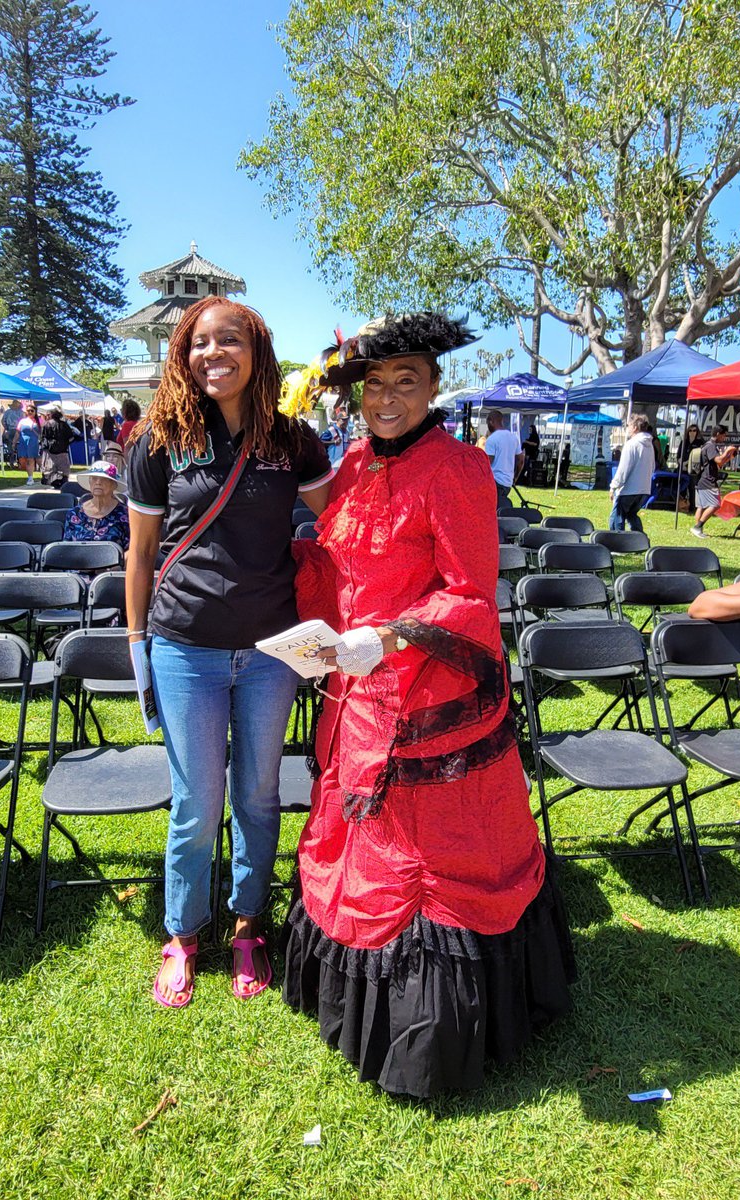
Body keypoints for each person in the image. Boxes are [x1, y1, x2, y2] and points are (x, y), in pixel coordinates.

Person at [279, 313, 575, 1098]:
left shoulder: (459, 468)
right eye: (375, 384)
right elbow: (339, 557)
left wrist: (396, 635)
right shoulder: (349, 462)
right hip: (355, 688)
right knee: (354, 846)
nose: (386, 398)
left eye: (405, 382)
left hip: (424, 689)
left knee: (426, 857)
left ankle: (430, 1030)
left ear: (435, 387)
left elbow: (472, 593)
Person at [125, 296, 334, 1009]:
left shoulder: (293, 441)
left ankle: (249, 923)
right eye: (199, 343)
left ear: (258, 350)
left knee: (258, 793)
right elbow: (143, 552)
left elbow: (344, 515)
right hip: (185, 648)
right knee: (196, 802)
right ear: (182, 355)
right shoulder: (161, 441)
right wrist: (136, 644)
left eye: (230, 340)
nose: (214, 354)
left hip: (274, 650)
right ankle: (183, 933)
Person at [62, 460, 130, 549]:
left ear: (113, 485)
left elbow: (131, 550)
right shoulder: (74, 514)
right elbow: (66, 548)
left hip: (114, 562)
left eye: (104, 479)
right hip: (78, 562)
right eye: (94, 478)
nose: (98, 482)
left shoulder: (125, 514)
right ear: (90, 483)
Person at [608, 413, 655, 531]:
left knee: (616, 517)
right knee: (631, 515)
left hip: (629, 489)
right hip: (644, 489)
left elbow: (623, 469)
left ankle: (616, 543)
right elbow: (653, 467)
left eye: (628, 425)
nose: (627, 428)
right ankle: (640, 540)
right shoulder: (650, 445)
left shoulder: (631, 444)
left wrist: (613, 486)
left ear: (635, 427)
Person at [692, 426, 738, 538]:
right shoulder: (710, 446)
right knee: (715, 504)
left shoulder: (708, 445)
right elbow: (719, 460)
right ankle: (697, 527)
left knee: (701, 506)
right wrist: (727, 450)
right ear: (718, 434)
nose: (724, 437)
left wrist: (729, 456)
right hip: (708, 481)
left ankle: (697, 529)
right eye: (724, 435)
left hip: (701, 480)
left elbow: (719, 464)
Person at [484, 408, 524, 509]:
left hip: (495, 482)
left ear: (491, 422)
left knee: (491, 511)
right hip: (507, 483)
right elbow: (521, 460)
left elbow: (487, 463)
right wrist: (515, 477)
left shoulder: (491, 440)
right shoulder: (513, 438)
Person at [41, 405, 75, 487]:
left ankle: (52, 480)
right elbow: (71, 437)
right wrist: (66, 443)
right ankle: (63, 480)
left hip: (50, 450)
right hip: (62, 449)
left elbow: (43, 437)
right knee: (63, 467)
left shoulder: (46, 424)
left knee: (50, 466)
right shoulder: (64, 425)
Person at [13, 403, 41, 486]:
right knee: (27, 460)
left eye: (32, 411)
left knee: (37, 460)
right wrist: (14, 442)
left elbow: (44, 432)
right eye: (28, 411)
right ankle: (30, 477)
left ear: (35, 411)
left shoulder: (39, 421)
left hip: (35, 442)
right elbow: (18, 433)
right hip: (24, 442)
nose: (30, 412)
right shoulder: (22, 421)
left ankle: (45, 474)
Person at [677, 422, 704, 510]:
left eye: (694, 430)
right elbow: (679, 455)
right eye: (690, 430)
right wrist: (681, 463)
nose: (692, 432)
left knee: (692, 489)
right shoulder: (684, 442)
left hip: (693, 469)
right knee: (682, 488)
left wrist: (688, 462)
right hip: (683, 469)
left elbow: (700, 456)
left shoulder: (700, 443)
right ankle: (682, 505)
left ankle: (693, 507)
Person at [1, 398, 24, 462]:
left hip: (10, 430)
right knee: (19, 444)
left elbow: (3, 421)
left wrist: (6, 427)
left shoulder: (7, 412)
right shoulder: (21, 413)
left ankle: (11, 460)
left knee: (10, 444)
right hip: (19, 431)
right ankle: (20, 460)